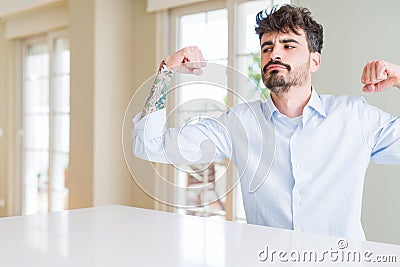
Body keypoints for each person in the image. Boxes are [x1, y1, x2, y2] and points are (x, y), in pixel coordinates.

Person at [133, 4, 400, 240]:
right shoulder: (238, 124)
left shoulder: (355, 117)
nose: (274, 54)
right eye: (267, 47)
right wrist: (166, 72)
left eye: (289, 45)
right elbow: (149, 145)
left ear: (314, 60)